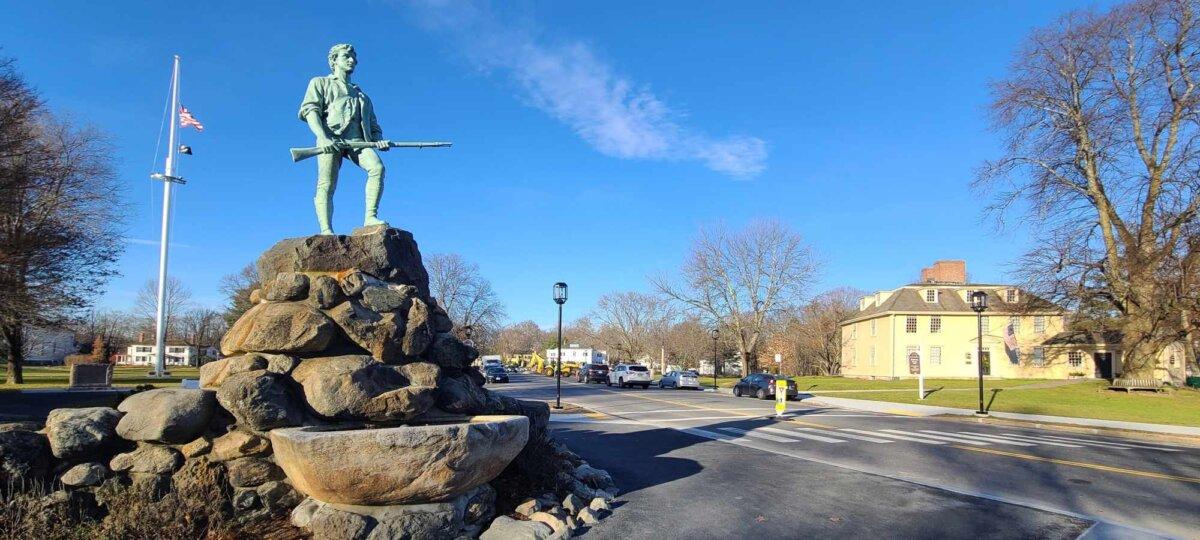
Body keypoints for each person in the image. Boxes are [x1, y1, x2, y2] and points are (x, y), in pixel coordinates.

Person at [299, 43, 390, 235]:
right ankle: (326, 229)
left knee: (377, 168)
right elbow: (310, 111)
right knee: (327, 184)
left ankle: (370, 217)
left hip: (358, 141)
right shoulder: (320, 82)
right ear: (334, 61)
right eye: (346, 56)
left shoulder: (362, 95)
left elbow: (373, 125)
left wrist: (379, 139)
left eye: (354, 58)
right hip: (331, 140)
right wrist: (322, 137)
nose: (352, 60)